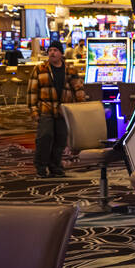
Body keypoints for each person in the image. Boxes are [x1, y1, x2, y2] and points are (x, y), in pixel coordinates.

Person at [27, 42, 87, 178]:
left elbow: (78, 89)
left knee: (60, 139)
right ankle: (41, 166)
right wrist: (34, 111)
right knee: (44, 137)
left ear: (61, 53)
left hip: (63, 110)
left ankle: (55, 165)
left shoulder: (70, 69)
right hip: (46, 109)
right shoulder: (40, 69)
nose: (52, 53)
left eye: (55, 50)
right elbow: (32, 92)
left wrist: (80, 107)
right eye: (50, 50)